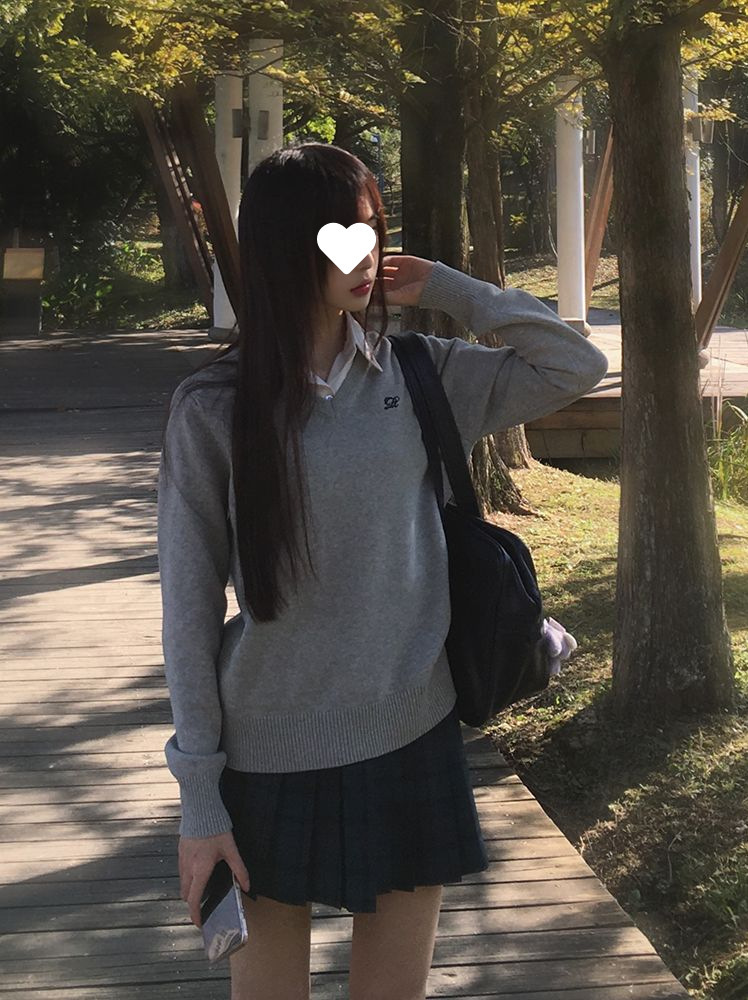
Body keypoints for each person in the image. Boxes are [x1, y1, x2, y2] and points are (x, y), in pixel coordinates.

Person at [156, 141, 609, 1000]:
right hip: (266, 752)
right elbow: (187, 612)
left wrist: (451, 288)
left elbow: (575, 365)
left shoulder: (420, 372)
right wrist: (200, 798)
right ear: (285, 248)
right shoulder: (213, 409)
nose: (362, 253)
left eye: (370, 230)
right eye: (339, 235)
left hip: (411, 732)